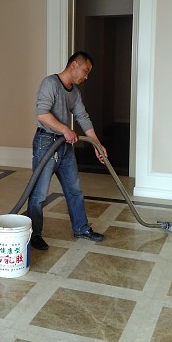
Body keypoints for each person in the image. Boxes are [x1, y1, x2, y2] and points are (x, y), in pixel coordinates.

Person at [28, 51, 107, 250]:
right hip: (46, 143)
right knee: (39, 194)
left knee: (74, 190)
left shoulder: (74, 93)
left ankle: (81, 228)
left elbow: (82, 117)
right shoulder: (50, 84)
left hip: (64, 146)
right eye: (85, 71)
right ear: (74, 65)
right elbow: (42, 114)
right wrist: (65, 129)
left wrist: (97, 144)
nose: (86, 76)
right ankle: (34, 234)